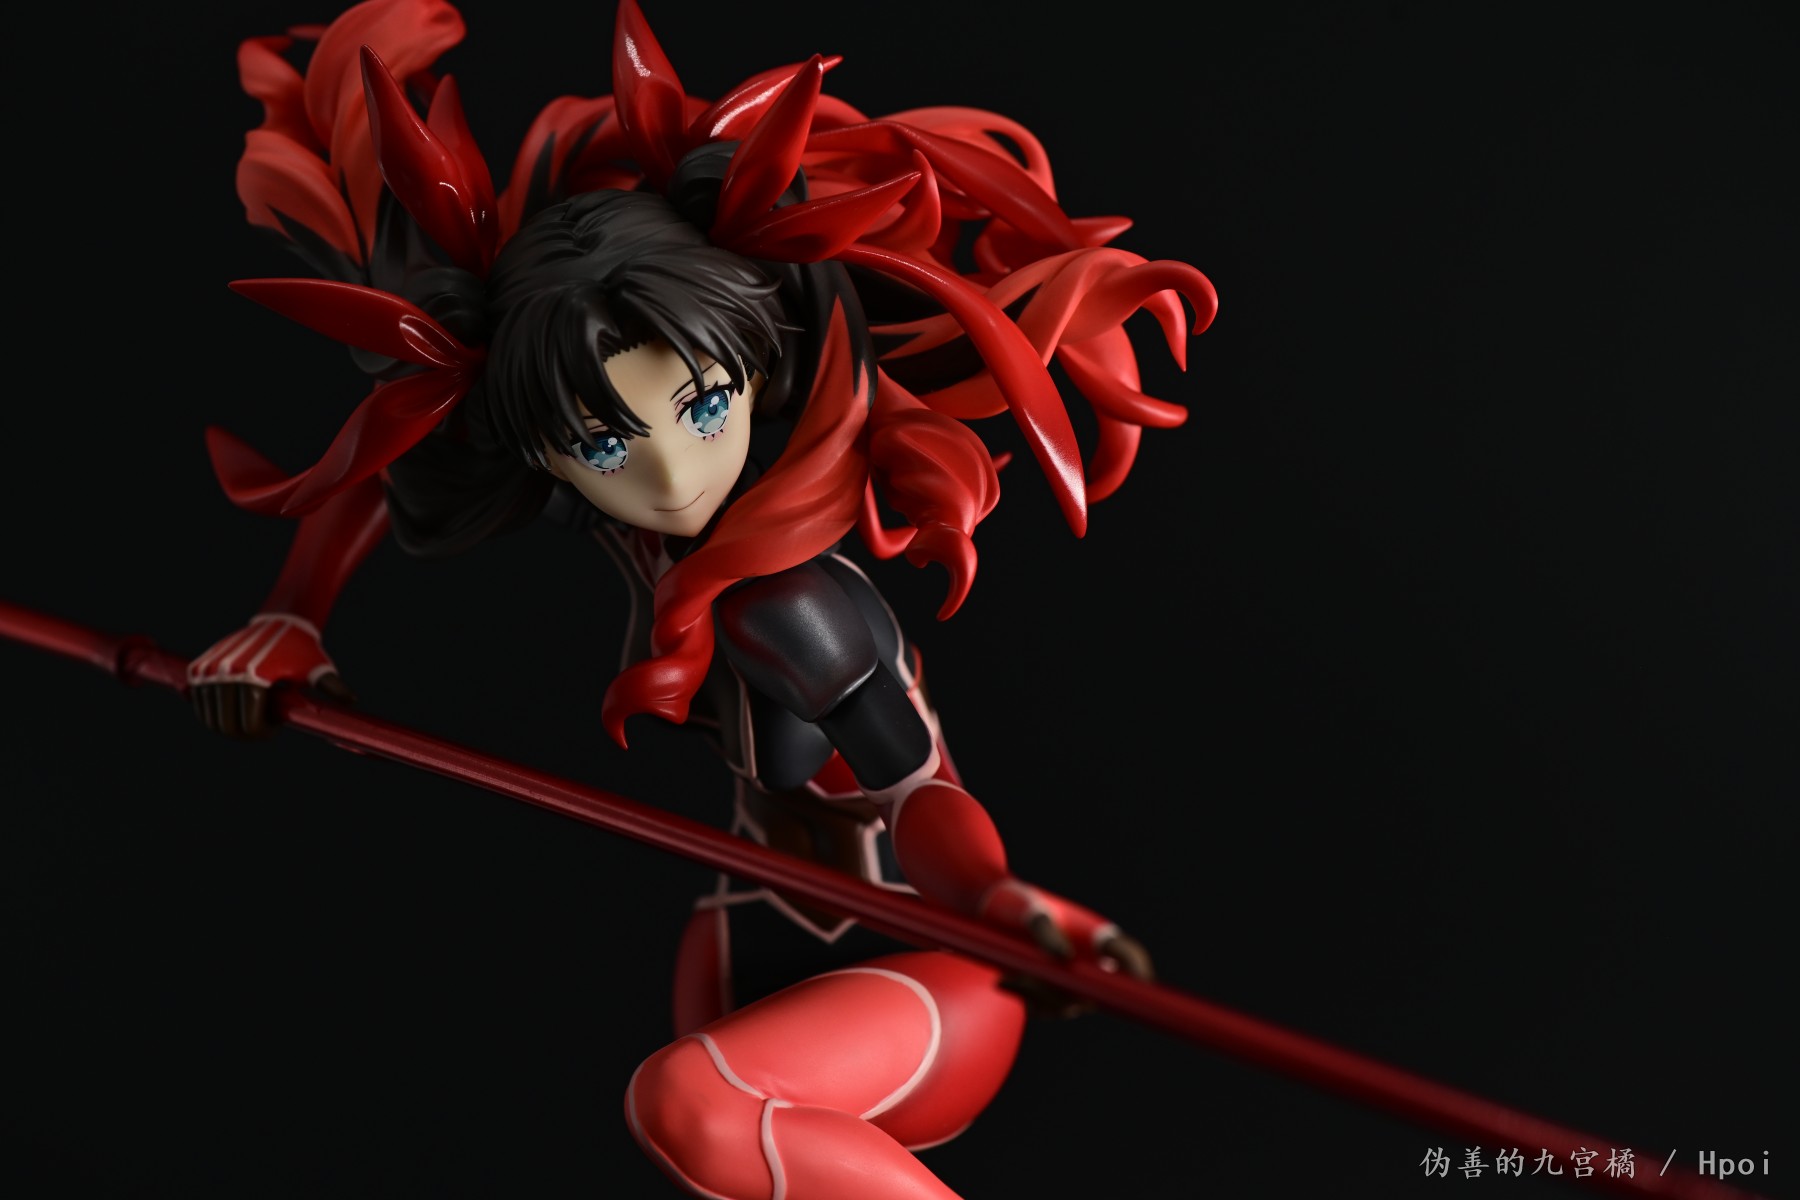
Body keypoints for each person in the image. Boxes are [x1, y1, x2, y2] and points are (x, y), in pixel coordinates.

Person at [186, 1, 1218, 1194]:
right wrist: (293, 616)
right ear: (541, 447)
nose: (672, 476)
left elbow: (917, 791)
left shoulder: (789, 598)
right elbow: (398, 451)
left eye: (704, 406)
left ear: (756, 367)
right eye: (604, 443)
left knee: (691, 1105)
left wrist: (996, 903)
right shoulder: (588, 488)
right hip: (751, 935)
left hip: (921, 965)